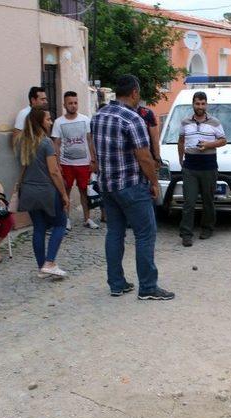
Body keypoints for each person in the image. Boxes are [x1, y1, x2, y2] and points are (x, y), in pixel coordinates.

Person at [90, 74, 174, 300]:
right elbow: (144, 157)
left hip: (107, 185)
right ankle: (148, 286)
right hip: (131, 186)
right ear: (134, 92)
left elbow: (95, 148)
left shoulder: (98, 116)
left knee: (114, 233)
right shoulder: (132, 119)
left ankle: (116, 283)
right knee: (145, 234)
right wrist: (154, 182)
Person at [16, 107, 71, 278]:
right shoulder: (46, 143)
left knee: (38, 228)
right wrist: (63, 193)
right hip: (46, 190)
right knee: (60, 224)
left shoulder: (24, 142)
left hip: (28, 190)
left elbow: (24, 167)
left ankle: (42, 266)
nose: (51, 122)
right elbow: (54, 171)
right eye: (48, 119)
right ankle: (50, 262)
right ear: (40, 121)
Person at [177, 91, 227, 247]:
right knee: (189, 202)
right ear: (193, 104)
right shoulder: (185, 122)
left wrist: (208, 144)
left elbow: (223, 140)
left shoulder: (215, 122)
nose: (200, 106)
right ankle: (186, 234)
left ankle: (207, 228)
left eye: (203, 103)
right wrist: (181, 160)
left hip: (208, 166)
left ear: (206, 104)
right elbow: (181, 141)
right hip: (190, 166)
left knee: (208, 201)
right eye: (197, 103)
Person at [51, 91, 99, 230]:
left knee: (85, 191)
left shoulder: (85, 120)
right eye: (70, 103)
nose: (73, 106)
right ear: (64, 104)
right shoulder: (59, 122)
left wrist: (93, 159)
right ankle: (66, 219)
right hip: (66, 163)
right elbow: (57, 144)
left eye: (75, 103)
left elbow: (90, 141)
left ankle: (87, 218)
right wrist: (57, 163)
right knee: (65, 191)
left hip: (84, 163)